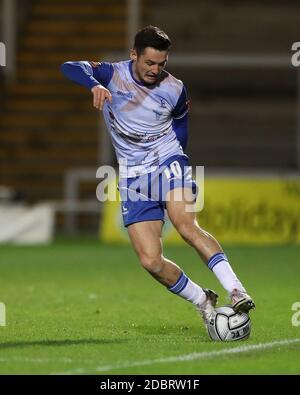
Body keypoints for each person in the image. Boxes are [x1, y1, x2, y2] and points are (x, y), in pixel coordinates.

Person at [61, 25, 255, 325]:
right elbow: (69, 67)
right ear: (134, 55)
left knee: (186, 225)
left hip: (168, 161)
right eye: (149, 63)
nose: (155, 70)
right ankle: (202, 298)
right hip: (133, 175)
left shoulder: (175, 88)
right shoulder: (112, 75)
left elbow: (181, 125)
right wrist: (93, 85)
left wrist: (177, 157)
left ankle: (236, 290)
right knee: (150, 261)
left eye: (161, 64)